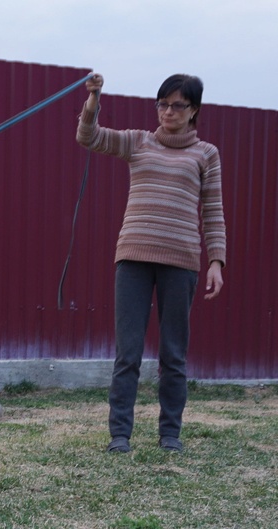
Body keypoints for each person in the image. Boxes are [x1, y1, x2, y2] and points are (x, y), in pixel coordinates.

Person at [76, 73, 226, 453]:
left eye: (178, 105)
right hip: (133, 259)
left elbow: (213, 211)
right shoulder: (138, 142)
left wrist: (217, 261)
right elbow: (89, 137)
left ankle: (170, 434)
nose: (168, 112)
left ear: (194, 111)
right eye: (162, 104)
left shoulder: (205, 154)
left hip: (182, 262)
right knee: (127, 353)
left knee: (173, 353)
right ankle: (120, 435)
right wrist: (93, 100)